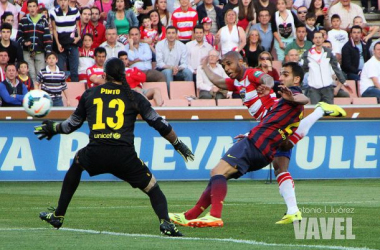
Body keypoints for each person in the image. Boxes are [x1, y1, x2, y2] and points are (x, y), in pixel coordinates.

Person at [169, 52, 347, 227]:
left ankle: (214, 216)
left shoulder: (250, 74)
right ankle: (292, 210)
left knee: (221, 172)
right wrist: (204, 66)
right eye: (224, 66)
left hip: (267, 128)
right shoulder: (238, 83)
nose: (227, 68)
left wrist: (269, 86)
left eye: (229, 64)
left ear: (241, 62)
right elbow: (218, 81)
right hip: (270, 130)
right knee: (279, 162)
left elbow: (268, 79)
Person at [36, 57, 194, 237]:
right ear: (124, 75)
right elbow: (160, 124)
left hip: (96, 152)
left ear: (104, 75)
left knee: (78, 162)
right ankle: (165, 222)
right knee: (152, 188)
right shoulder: (134, 96)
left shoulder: (90, 94)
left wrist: (53, 129)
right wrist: (178, 144)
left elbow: (71, 125)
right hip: (124, 156)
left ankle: (58, 215)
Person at [301, 31, 349, 104]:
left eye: (320, 37)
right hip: (314, 87)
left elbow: (336, 68)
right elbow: (303, 69)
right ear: (313, 40)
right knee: (316, 110)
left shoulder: (329, 52)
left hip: (327, 87)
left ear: (323, 39)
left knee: (330, 110)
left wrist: (343, 81)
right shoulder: (307, 54)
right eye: (316, 38)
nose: (318, 40)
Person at [17, 0, 52, 83]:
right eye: (30, 6)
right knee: (30, 73)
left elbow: (47, 37)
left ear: (37, 8)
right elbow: (18, 37)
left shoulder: (43, 20)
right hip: (27, 51)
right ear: (27, 8)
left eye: (34, 6)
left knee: (40, 73)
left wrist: (48, 52)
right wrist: (24, 43)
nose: (32, 9)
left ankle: (39, 92)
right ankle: (31, 91)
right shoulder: (23, 20)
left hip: (40, 51)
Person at [50, 0, 81, 82]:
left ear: (68, 1)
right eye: (60, 1)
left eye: (64, 0)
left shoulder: (75, 11)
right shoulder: (54, 12)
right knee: (59, 70)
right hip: (61, 43)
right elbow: (54, 29)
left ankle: (75, 91)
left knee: (74, 70)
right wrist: (57, 43)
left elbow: (78, 26)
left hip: (72, 42)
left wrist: (79, 37)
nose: (62, 3)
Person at [155, 26, 192, 92]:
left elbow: (184, 64)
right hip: (163, 70)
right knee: (168, 72)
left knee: (188, 72)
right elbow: (159, 63)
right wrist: (171, 68)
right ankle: (170, 95)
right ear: (166, 34)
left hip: (177, 70)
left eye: (173, 33)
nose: (171, 35)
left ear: (176, 35)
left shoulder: (182, 46)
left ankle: (189, 94)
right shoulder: (159, 45)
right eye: (169, 33)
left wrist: (177, 68)